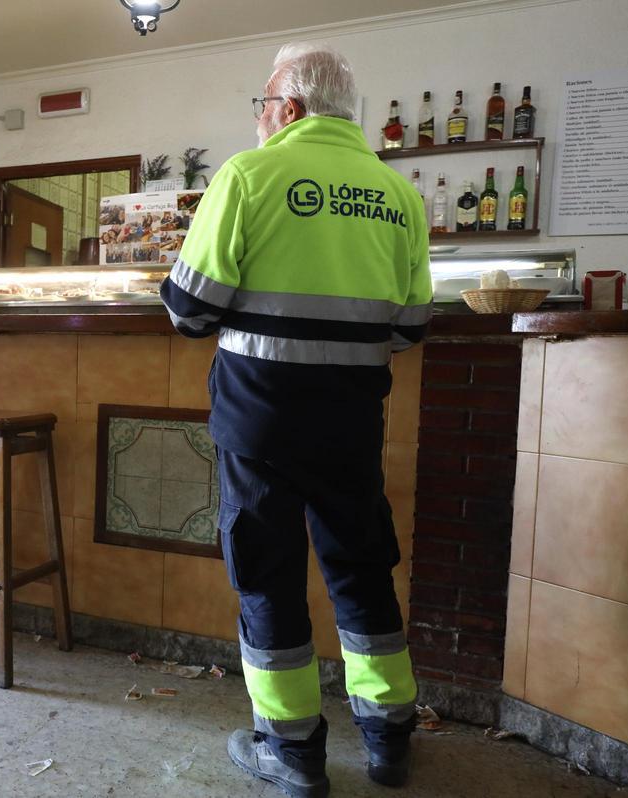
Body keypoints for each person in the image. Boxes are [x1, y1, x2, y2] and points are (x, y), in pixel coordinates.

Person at [160, 45, 432, 796]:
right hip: (350, 422)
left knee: (269, 578)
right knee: (360, 570)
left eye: (263, 104)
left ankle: (295, 755)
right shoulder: (397, 193)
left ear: (291, 108)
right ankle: (389, 739)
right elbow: (409, 326)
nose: (259, 117)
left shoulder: (248, 176)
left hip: (259, 423)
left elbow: (190, 310)